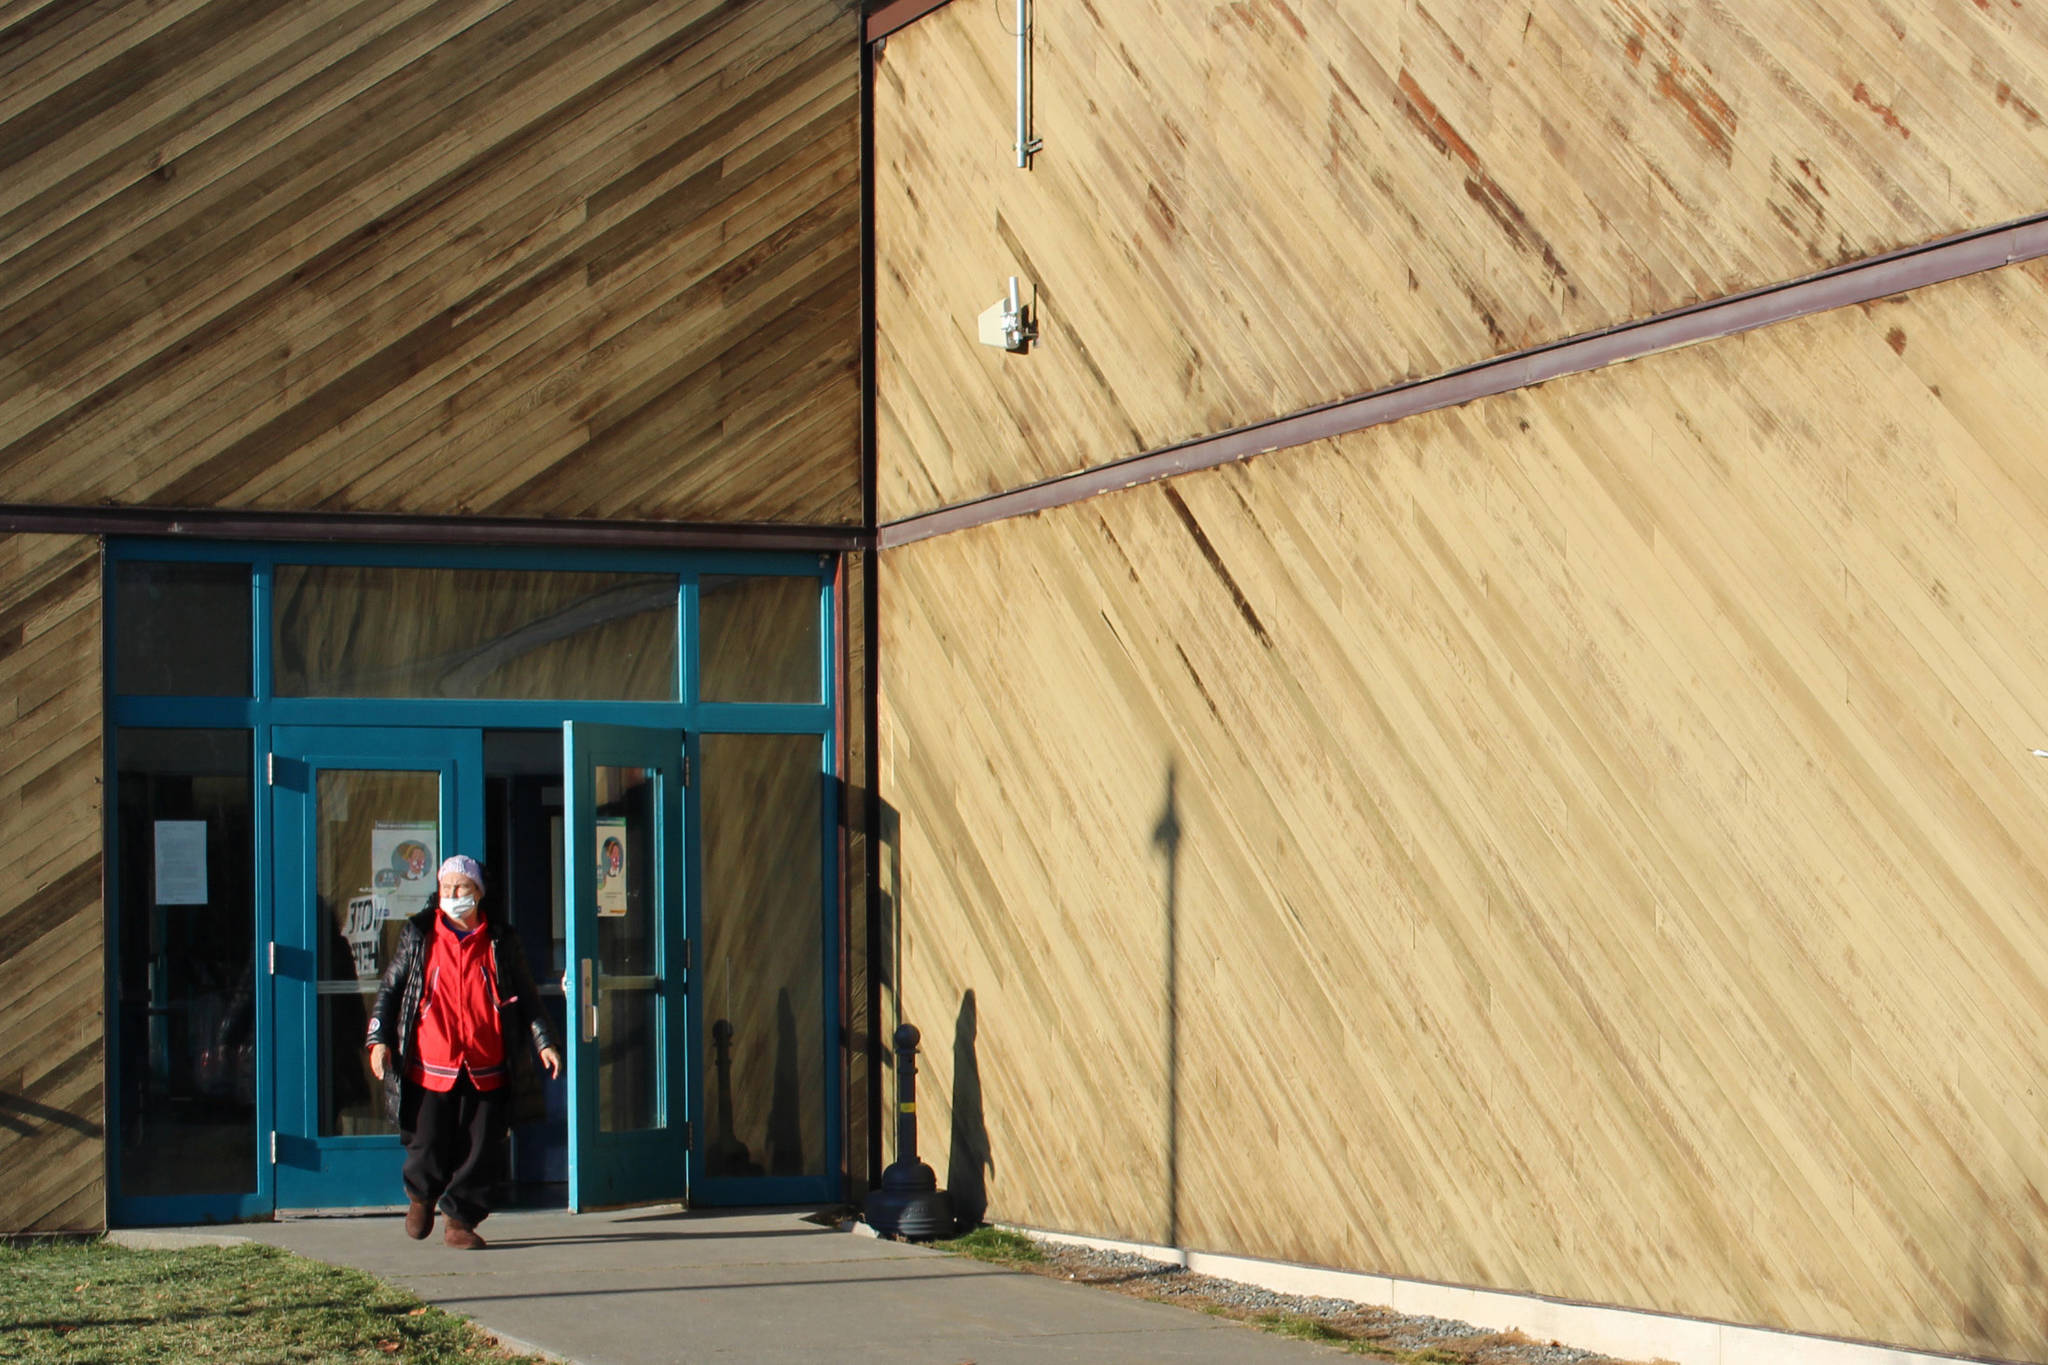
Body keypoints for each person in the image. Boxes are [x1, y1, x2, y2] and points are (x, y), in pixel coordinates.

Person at [367, 855, 562, 1249]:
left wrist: (544, 1041)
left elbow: (526, 996)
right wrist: (378, 1038)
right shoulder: (420, 934)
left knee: (480, 1147)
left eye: (461, 889)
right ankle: (422, 1196)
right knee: (427, 1140)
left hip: (485, 1061)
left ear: (478, 893)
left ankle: (460, 1220)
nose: (453, 896)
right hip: (430, 1061)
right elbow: (390, 989)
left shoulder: (501, 940)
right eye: (446, 889)